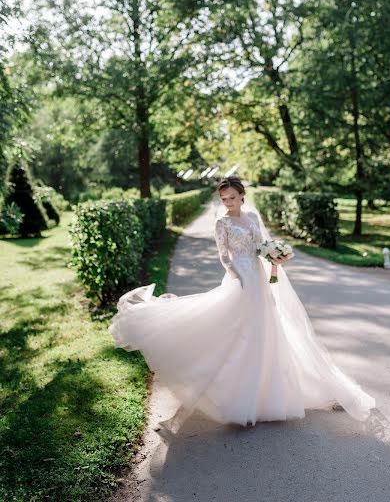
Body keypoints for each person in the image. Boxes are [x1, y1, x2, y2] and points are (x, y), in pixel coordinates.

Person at [108, 175, 376, 429]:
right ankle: (234, 394)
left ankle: (268, 395)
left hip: (258, 277)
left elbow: (260, 246)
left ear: (242, 196)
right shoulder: (222, 223)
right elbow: (223, 256)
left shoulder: (251, 218)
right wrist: (236, 275)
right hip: (239, 278)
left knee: (265, 330)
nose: (228, 203)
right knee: (238, 332)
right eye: (224, 199)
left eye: (232, 198)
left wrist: (275, 258)